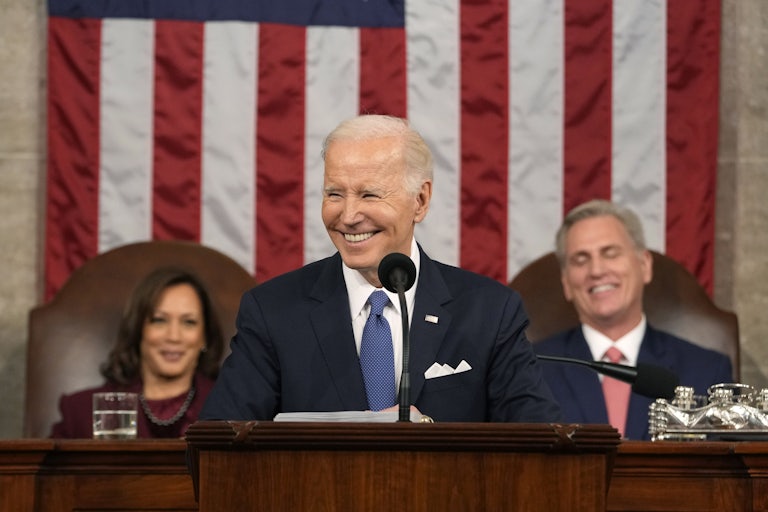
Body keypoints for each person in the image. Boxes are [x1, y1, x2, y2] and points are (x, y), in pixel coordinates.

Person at [200, 114, 561, 423]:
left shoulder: (489, 312)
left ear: (420, 201)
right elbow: (219, 445)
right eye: (334, 194)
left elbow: (539, 442)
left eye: (369, 194)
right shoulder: (273, 311)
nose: (348, 216)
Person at [533, 199, 733, 440]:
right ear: (566, 282)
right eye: (581, 260)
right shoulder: (531, 371)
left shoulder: (706, 370)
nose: (597, 270)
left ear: (644, 265)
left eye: (611, 253)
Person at [51, 266, 225, 438]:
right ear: (138, 329)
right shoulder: (80, 412)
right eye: (159, 320)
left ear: (205, 336)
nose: (174, 336)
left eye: (189, 322)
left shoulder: (231, 408)